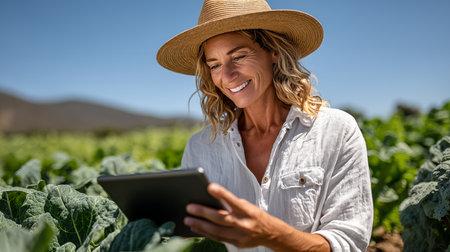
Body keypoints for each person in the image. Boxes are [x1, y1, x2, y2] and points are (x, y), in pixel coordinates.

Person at [157, 0, 373, 251]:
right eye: (214, 65)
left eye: (238, 56)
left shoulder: (336, 131)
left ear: (274, 51)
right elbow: (190, 239)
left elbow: (350, 243)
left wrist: (270, 235)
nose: (226, 76)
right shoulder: (200, 147)